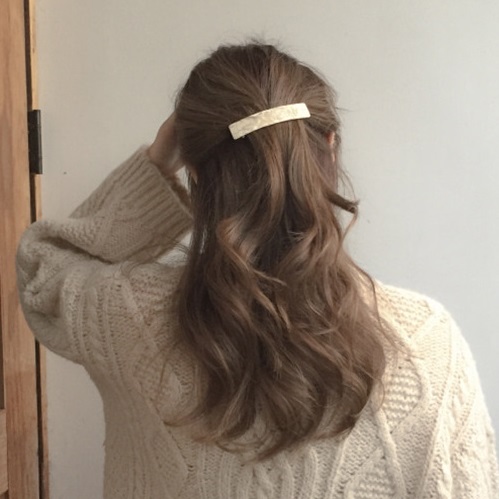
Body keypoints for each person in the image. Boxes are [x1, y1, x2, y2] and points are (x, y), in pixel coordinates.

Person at [16, 42, 498, 498]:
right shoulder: (426, 344)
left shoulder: (129, 317)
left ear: (196, 171)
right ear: (330, 146)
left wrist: (156, 165)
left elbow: (43, 271)